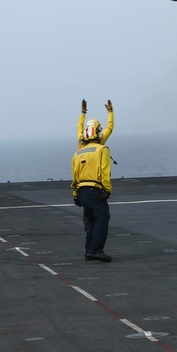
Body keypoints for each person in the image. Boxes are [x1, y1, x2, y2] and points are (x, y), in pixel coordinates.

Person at [72, 99, 114, 262]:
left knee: (90, 221)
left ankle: (89, 250)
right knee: (102, 218)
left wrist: (75, 194)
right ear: (97, 132)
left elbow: (75, 174)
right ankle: (96, 250)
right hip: (95, 190)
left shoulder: (79, 151)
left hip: (82, 191)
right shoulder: (101, 149)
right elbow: (104, 170)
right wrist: (108, 190)